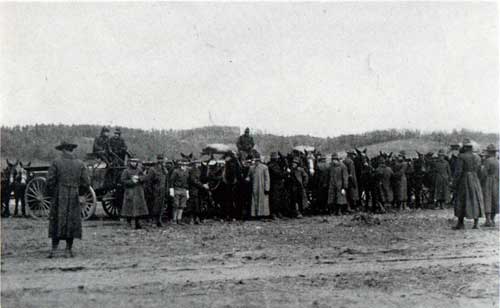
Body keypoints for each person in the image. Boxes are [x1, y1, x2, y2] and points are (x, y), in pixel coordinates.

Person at [46, 141, 90, 258]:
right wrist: (79, 193)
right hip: (74, 195)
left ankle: (54, 250)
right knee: (72, 221)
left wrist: (53, 193)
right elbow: (86, 182)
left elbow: (49, 181)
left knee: (56, 220)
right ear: (72, 150)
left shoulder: (56, 162)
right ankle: (68, 250)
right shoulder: (80, 163)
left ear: (63, 150)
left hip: (59, 195)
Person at [453, 139, 484, 230]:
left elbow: (458, 171)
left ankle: (460, 223)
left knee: (461, 199)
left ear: (465, 147)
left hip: (464, 180)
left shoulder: (461, 156)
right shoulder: (478, 157)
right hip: (475, 179)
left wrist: (455, 182)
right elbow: (480, 171)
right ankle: (476, 224)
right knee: (476, 199)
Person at [120, 158, 149, 229]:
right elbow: (123, 180)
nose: (134, 163)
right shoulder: (126, 171)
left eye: (135, 162)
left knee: (139, 208)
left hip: (139, 191)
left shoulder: (139, 170)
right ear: (130, 162)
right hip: (130, 191)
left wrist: (139, 178)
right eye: (132, 162)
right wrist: (131, 181)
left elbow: (145, 177)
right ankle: (129, 222)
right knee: (129, 208)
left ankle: (138, 222)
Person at [145, 155, 168, 227]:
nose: (164, 163)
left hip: (162, 190)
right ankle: (153, 221)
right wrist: (150, 191)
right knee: (154, 206)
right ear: (158, 161)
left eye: (164, 161)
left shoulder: (164, 170)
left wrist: (166, 190)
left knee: (161, 206)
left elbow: (166, 181)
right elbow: (148, 181)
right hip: (155, 191)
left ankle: (159, 220)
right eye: (162, 161)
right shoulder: (152, 169)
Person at [247, 153, 270, 218]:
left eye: (257, 161)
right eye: (255, 160)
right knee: (255, 200)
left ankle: (262, 214)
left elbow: (267, 178)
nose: (256, 162)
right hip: (254, 186)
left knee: (262, 200)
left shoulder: (264, 167)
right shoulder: (251, 168)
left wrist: (267, 188)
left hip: (262, 186)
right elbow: (249, 176)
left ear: (259, 160)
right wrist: (248, 178)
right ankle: (255, 214)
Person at [481, 144, 498, 227]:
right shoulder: (497, 161)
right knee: (495, 200)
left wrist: (481, 182)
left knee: (487, 199)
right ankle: (493, 220)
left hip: (488, 181)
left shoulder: (487, 161)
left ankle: (488, 220)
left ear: (489, 152)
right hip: (496, 181)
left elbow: (484, 173)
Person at [188, 156, 209, 224]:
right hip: (194, 190)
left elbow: (201, 179)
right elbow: (193, 180)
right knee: (193, 204)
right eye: (197, 163)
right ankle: (192, 219)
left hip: (199, 190)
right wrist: (203, 185)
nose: (199, 164)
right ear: (194, 163)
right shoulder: (192, 170)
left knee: (198, 205)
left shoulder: (199, 170)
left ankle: (197, 218)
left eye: (199, 162)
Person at [267, 152, 288, 218]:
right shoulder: (272, 165)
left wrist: (282, 157)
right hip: (275, 184)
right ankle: (274, 213)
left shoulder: (274, 164)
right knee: (275, 199)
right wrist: (286, 172)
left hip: (277, 183)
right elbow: (279, 174)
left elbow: (284, 163)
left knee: (279, 198)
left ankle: (277, 212)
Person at [169, 159, 190, 224]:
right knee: (176, 205)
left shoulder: (187, 172)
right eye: (183, 164)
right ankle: (174, 219)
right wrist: (171, 190)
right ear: (180, 165)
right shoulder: (176, 171)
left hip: (184, 190)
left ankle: (179, 219)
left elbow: (187, 182)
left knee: (182, 205)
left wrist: (187, 191)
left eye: (185, 164)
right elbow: (171, 181)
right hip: (177, 189)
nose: (184, 166)